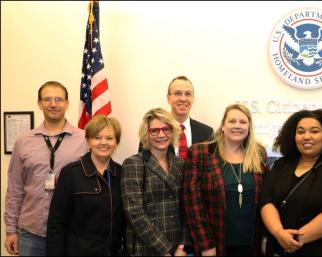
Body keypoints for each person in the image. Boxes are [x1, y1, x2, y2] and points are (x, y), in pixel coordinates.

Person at [4, 81, 88, 256]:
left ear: (67, 103)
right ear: (40, 104)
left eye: (59, 99)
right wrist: (11, 230)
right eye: (48, 99)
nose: (53, 104)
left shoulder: (84, 140)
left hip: (70, 232)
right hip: (30, 233)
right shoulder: (24, 142)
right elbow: (15, 189)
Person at [260, 109, 322, 256]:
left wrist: (293, 240)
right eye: (300, 132)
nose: (306, 137)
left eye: (314, 131)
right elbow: (266, 200)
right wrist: (278, 233)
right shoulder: (281, 165)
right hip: (279, 247)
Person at [183, 103, 268, 256]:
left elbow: (265, 199)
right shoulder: (200, 153)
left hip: (251, 245)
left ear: (249, 128)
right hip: (216, 245)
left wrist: (265, 238)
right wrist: (206, 245)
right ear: (222, 125)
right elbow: (193, 205)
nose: (237, 126)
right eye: (232, 121)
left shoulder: (259, 154)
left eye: (243, 122)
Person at [46, 115, 126, 255]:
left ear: (116, 142)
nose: (103, 142)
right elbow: (56, 224)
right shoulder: (71, 173)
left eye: (109, 138)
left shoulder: (122, 174)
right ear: (88, 141)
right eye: (97, 137)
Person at [121, 108, 190, 256]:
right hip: (146, 248)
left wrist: (182, 246)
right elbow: (134, 213)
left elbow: (188, 207)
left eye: (166, 129)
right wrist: (164, 250)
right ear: (146, 133)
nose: (161, 135)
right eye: (154, 130)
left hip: (178, 249)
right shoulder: (133, 163)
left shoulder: (181, 164)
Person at [138, 76, 213, 158]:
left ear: (193, 98)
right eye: (177, 93)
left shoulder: (207, 133)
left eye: (188, 94)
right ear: (168, 98)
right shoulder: (151, 131)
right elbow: (142, 163)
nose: (183, 99)